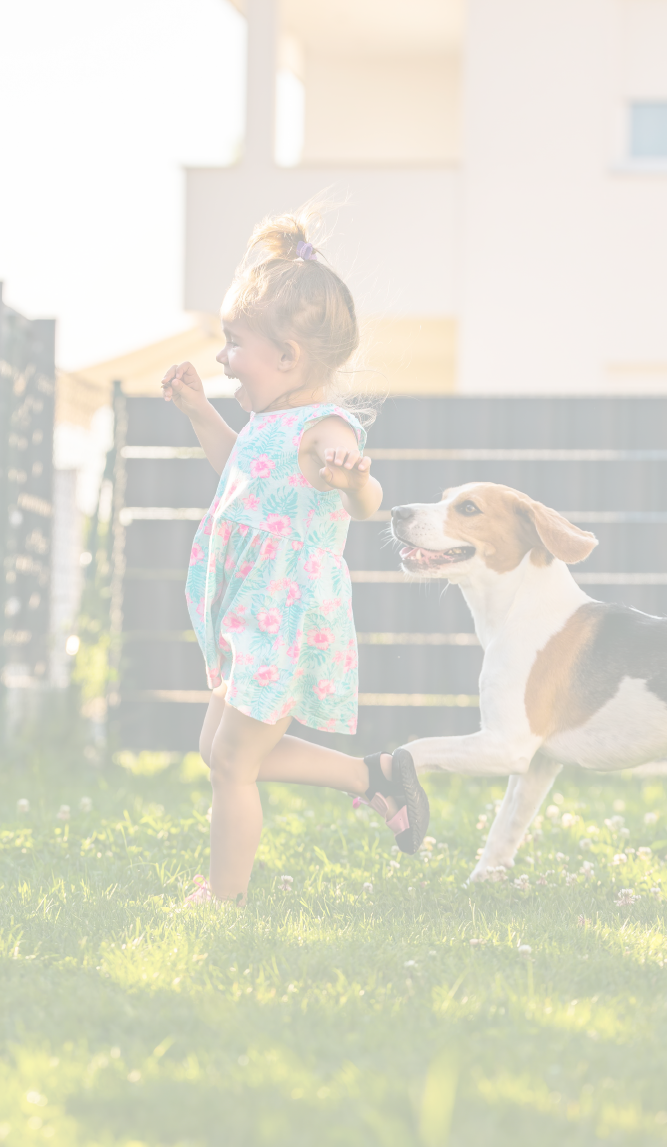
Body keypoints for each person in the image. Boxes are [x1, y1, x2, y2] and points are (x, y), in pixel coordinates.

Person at [161, 201, 428, 905]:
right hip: (249, 608)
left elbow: (361, 498)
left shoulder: (321, 425)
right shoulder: (263, 422)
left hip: (284, 612)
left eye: (232, 342)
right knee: (217, 750)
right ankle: (372, 776)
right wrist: (199, 413)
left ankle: (225, 898)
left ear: (287, 358)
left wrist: (354, 475)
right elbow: (241, 475)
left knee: (231, 761)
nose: (222, 357)